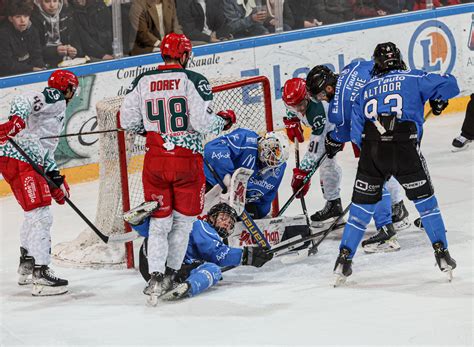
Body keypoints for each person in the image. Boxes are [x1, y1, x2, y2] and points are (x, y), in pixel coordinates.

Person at [119, 33, 236, 301]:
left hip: (155, 161)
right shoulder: (193, 80)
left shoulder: (142, 80)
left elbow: (127, 121)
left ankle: (156, 278)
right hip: (186, 162)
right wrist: (224, 120)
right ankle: (172, 272)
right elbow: (204, 124)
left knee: (160, 224)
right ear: (184, 55)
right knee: (183, 225)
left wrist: (149, 131)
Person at [332, 42, 459, 285]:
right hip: (405, 149)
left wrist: (373, 160)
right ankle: (442, 255)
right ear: (399, 59)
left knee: (360, 211)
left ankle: (343, 260)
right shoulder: (413, 76)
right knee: (427, 205)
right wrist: (438, 99)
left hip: (372, 152)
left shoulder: (366, 88)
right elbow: (451, 84)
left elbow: (357, 134)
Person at [305, 63, 411, 250]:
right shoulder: (353, 67)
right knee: (393, 170)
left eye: (321, 95)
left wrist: (333, 139)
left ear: (329, 88)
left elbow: (345, 133)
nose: (323, 99)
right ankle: (400, 209)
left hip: (379, 129)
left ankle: (386, 231)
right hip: (399, 113)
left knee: (373, 177)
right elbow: (374, 64)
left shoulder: (338, 107)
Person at [0, 69, 79, 296]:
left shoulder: (54, 112)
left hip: (23, 159)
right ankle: (41, 273)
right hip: (21, 159)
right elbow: (23, 99)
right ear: (68, 88)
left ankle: (27, 263)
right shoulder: (55, 98)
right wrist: (16, 121)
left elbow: (44, 148)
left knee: (32, 213)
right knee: (41, 214)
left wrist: (55, 178)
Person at [126, 202, 273, 301]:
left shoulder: (195, 229)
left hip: (153, 267)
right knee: (213, 270)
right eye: (223, 218)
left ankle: (139, 222)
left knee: (159, 232)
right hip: (164, 260)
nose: (226, 223)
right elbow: (217, 254)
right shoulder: (203, 227)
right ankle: (187, 287)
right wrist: (247, 255)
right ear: (211, 219)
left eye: (229, 223)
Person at [204, 129, 289, 219]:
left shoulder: (278, 169)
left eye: (277, 153)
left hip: (242, 204)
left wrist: (261, 218)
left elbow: (268, 197)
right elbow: (213, 148)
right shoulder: (246, 139)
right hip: (213, 187)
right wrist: (228, 178)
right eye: (273, 149)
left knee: (256, 212)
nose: (272, 156)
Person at [0, 0, 46, 77]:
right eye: (18, 17)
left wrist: (41, 68)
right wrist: (31, 69)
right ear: (10, 19)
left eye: (25, 16)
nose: (23, 20)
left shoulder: (33, 31)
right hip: (9, 76)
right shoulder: (3, 35)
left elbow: (37, 54)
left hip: (30, 71)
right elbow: (6, 63)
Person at [31, 0, 83, 67]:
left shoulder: (67, 13)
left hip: (67, 60)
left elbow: (76, 38)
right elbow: (34, 51)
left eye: (55, 1)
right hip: (44, 62)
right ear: (39, 2)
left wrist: (74, 50)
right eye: (47, 1)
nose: (52, 5)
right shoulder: (32, 18)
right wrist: (55, 50)